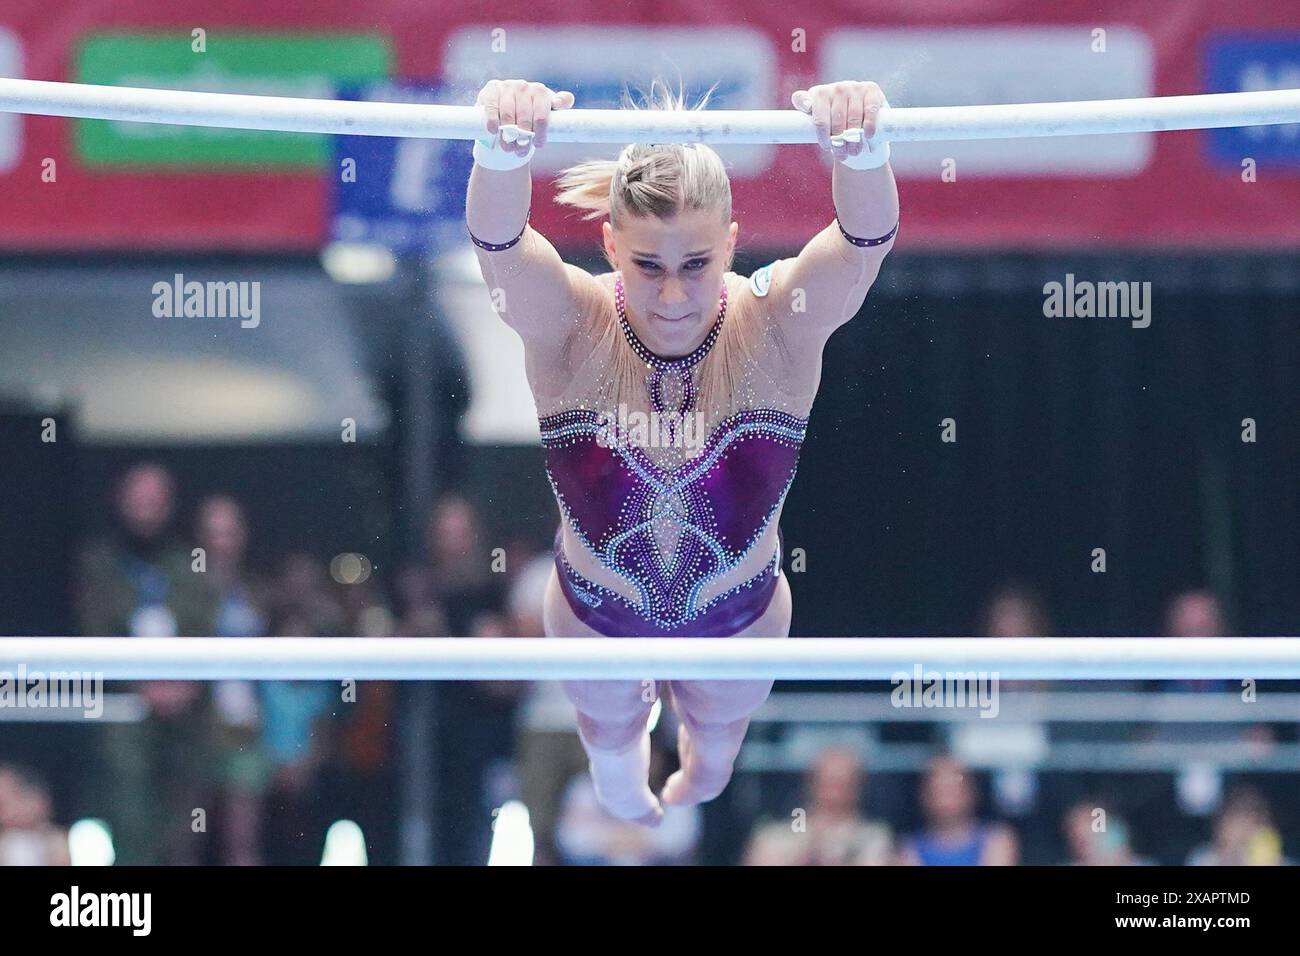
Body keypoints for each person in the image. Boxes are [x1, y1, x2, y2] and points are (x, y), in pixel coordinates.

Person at [466, 77, 898, 826]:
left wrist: (864, 149)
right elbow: (500, 249)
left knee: (714, 757)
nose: (672, 298)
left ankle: (701, 761)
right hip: (594, 617)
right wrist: (499, 151)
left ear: (731, 242)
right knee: (611, 752)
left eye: (695, 265)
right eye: (648, 267)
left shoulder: (776, 324)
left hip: (742, 618)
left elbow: (864, 245)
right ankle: (618, 768)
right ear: (609, 245)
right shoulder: (572, 324)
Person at [743, 746, 893, 866]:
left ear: (858, 787)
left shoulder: (875, 837)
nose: (834, 794)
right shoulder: (774, 835)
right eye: (828, 783)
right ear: (811, 782)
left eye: (843, 784)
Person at [899, 755, 1019, 866]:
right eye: (939, 787)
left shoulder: (997, 840)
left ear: (971, 790)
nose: (946, 795)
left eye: (953, 787)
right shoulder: (907, 848)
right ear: (924, 794)